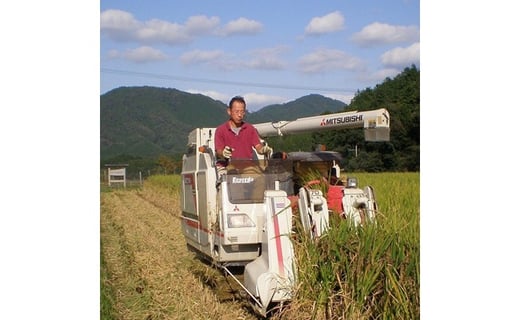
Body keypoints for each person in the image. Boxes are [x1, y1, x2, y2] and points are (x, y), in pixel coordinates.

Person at [215, 96, 272, 164]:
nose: (239, 115)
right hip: (226, 167)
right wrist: (223, 153)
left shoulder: (250, 129)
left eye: (242, 112)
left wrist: (263, 149)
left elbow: (258, 146)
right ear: (229, 111)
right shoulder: (221, 130)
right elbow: (218, 151)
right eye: (236, 111)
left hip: (247, 167)